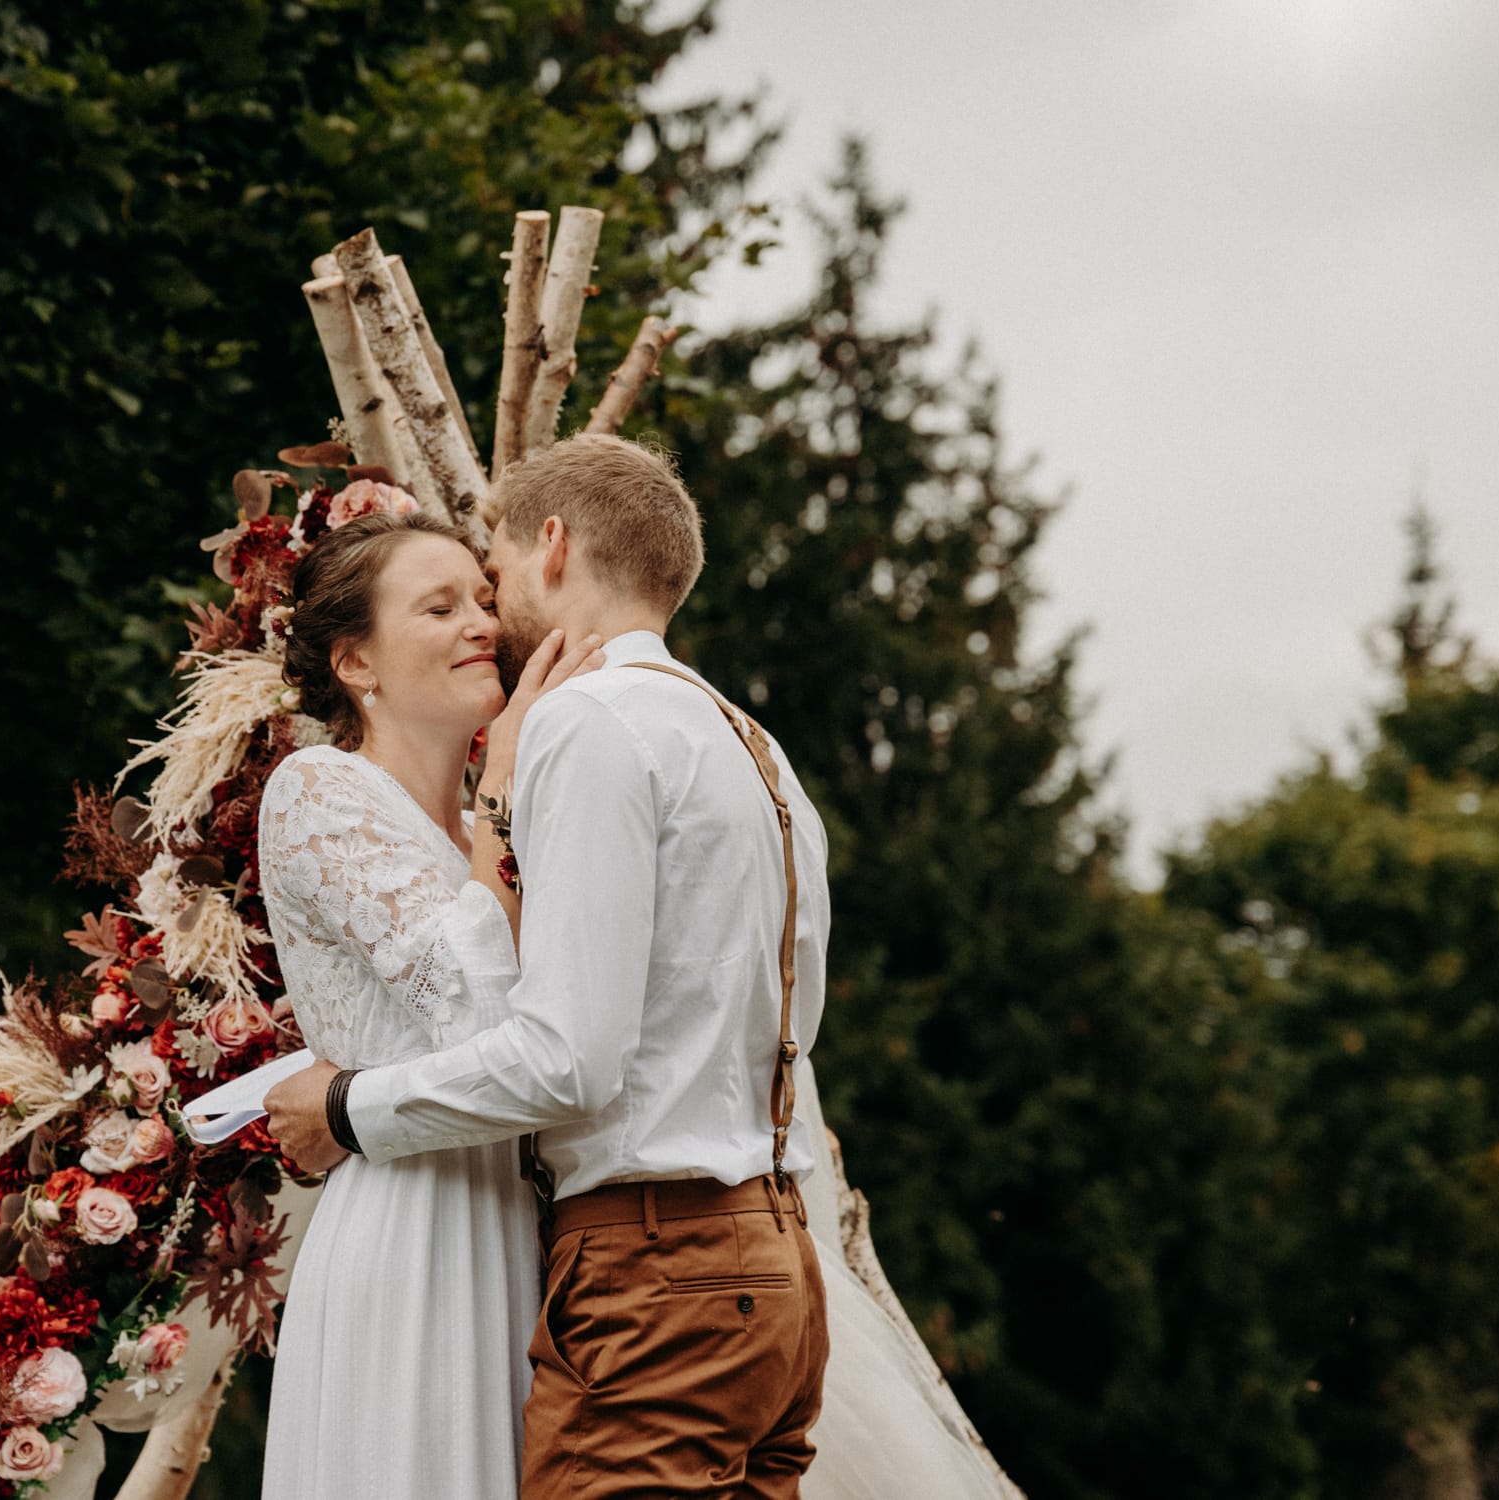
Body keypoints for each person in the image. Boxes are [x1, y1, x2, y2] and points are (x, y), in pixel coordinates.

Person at [262, 437, 1021, 1500]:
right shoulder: (753, 745)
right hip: (759, 1259)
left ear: (555, 545)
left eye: (491, 578)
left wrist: (344, 1110)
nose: (489, 615)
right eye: (447, 606)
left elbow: (563, 1057)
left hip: (652, 1264)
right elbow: (785, 1021)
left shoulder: (585, 726)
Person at [253, 505, 606, 1500]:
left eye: (486, 600)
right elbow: (472, 1016)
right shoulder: (320, 790)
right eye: (440, 606)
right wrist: (503, 776)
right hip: (410, 1234)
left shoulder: (498, 829)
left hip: (518, 1235)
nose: (481, 624)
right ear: (355, 665)